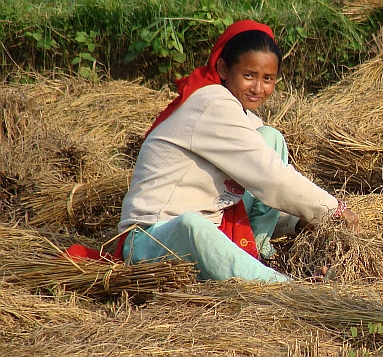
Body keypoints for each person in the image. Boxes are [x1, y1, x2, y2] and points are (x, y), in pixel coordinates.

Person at [117, 20, 358, 283]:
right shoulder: (210, 104)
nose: (258, 88)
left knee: (270, 138)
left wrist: (296, 223)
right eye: (249, 75)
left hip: (216, 226)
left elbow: (250, 197)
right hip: (151, 238)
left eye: (267, 79)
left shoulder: (244, 119)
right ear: (223, 68)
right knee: (192, 226)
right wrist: (333, 210)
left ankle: (257, 253)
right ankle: (287, 287)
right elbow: (271, 177)